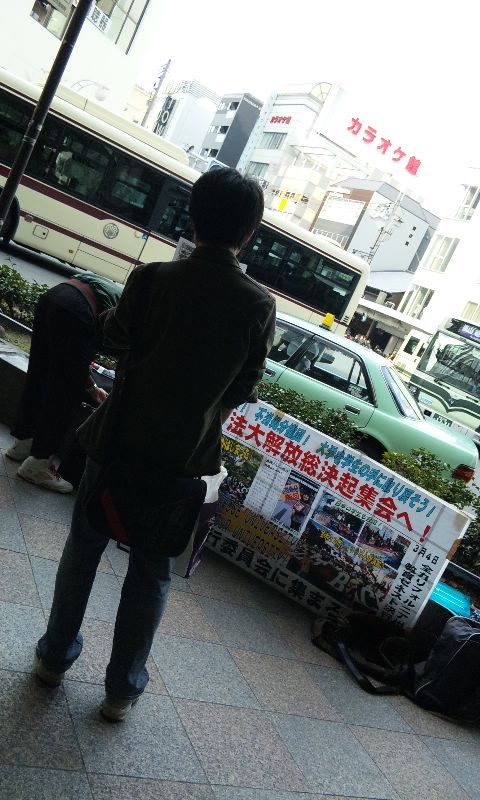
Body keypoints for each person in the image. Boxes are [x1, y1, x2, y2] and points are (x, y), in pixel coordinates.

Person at [34, 167, 276, 721]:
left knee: (83, 549)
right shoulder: (258, 305)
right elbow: (244, 386)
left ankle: (53, 660)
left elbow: (113, 336)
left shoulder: (152, 279)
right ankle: (121, 691)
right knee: (151, 572)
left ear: (192, 217)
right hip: (182, 461)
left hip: (116, 442)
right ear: (249, 234)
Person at [6, 273, 122, 493]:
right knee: (65, 395)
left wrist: (91, 386)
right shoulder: (147, 328)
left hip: (56, 295)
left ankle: (22, 444)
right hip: (78, 311)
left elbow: (76, 359)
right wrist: (92, 388)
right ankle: (37, 465)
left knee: (39, 374)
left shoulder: (137, 298)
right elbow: (79, 365)